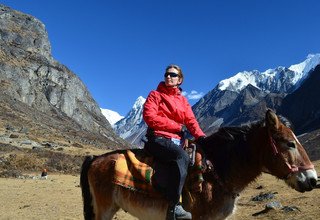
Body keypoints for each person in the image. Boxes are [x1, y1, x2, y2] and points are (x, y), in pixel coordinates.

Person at [143, 64, 206, 220]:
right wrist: (176, 126)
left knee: (199, 158)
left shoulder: (183, 101)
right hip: (158, 138)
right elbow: (149, 117)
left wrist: (201, 137)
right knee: (181, 157)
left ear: (180, 80)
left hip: (176, 140)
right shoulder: (155, 95)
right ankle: (174, 207)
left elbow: (191, 121)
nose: (168, 77)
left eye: (172, 74)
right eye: (166, 74)